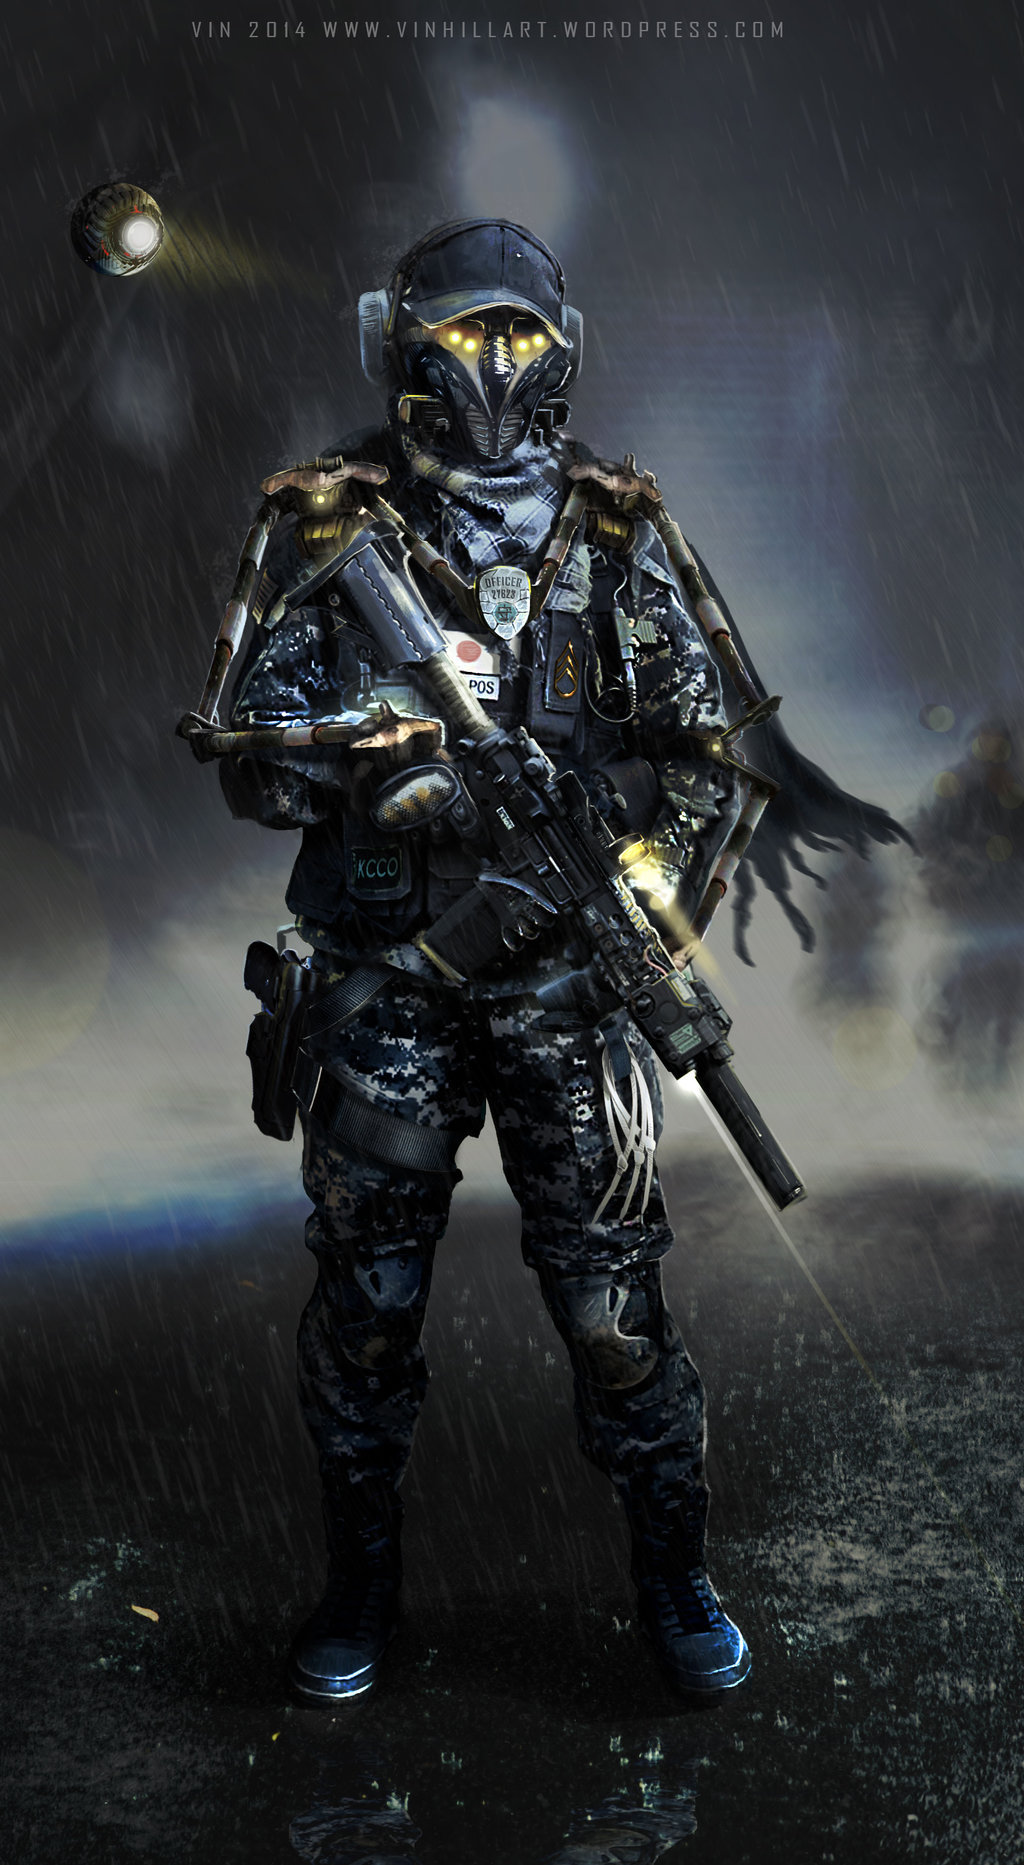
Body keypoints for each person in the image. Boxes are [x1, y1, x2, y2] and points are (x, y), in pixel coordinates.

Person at [211, 219, 903, 1706]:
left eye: (518, 335)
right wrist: (386, 747)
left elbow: (715, 762)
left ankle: (674, 1577)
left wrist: (633, 904)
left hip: (566, 989)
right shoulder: (327, 527)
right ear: (399, 342)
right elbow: (245, 756)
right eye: (464, 333)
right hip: (388, 981)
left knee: (612, 1316)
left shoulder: (613, 531)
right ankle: (360, 1589)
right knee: (368, 1307)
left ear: (562, 349)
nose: (491, 364)